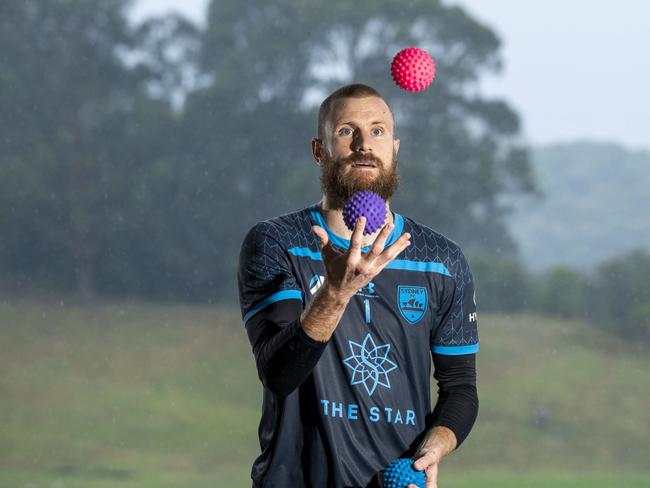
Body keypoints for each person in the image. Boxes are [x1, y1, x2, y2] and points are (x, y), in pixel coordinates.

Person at [237, 83, 479, 488]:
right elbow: (279, 374)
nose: (365, 144)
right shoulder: (276, 243)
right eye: (347, 131)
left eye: (378, 131)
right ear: (319, 150)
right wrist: (335, 293)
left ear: (395, 148)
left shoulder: (442, 260)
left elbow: (460, 389)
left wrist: (432, 450)